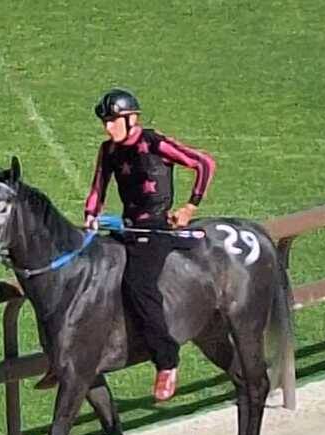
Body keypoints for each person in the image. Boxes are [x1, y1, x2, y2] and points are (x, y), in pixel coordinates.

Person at [33, 87, 216, 401]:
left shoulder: (154, 143)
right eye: (105, 122)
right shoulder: (109, 151)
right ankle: (71, 353)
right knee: (91, 274)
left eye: (113, 120)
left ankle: (166, 361)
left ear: (133, 119)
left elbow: (204, 164)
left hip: (156, 229)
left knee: (138, 284)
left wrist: (189, 207)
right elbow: (98, 188)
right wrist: (91, 215)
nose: (108, 128)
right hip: (126, 228)